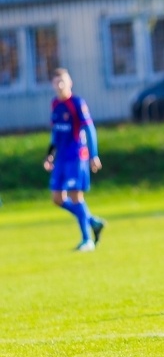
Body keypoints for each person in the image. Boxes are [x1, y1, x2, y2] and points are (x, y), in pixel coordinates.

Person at [43, 68, 106, 252]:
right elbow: (56, 133)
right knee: (56, 198)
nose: (60, 85)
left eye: (63, 81)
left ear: (70, 82)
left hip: (76, 156)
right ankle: (92, 220)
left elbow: (89, 129)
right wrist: (50, 155)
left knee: (75, 196)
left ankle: (87, 240)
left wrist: (94, 155)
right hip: (61, 158)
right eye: (56, 82)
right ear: (53, 85)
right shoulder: (55, 104)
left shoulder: (77, 103)